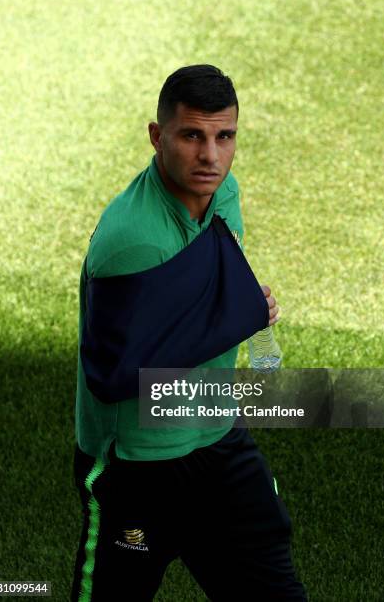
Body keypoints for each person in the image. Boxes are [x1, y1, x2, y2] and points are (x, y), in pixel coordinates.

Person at [71, 64, 307, 601]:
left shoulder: (224, 193)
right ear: (158, 137)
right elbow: (116, 373)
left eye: (225, 137)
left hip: (216, 437)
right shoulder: (130, 243)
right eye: (192, 136)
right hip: (135, 466)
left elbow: (220, 287)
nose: (211, 157)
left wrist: (236, 307)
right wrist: (235, 313)